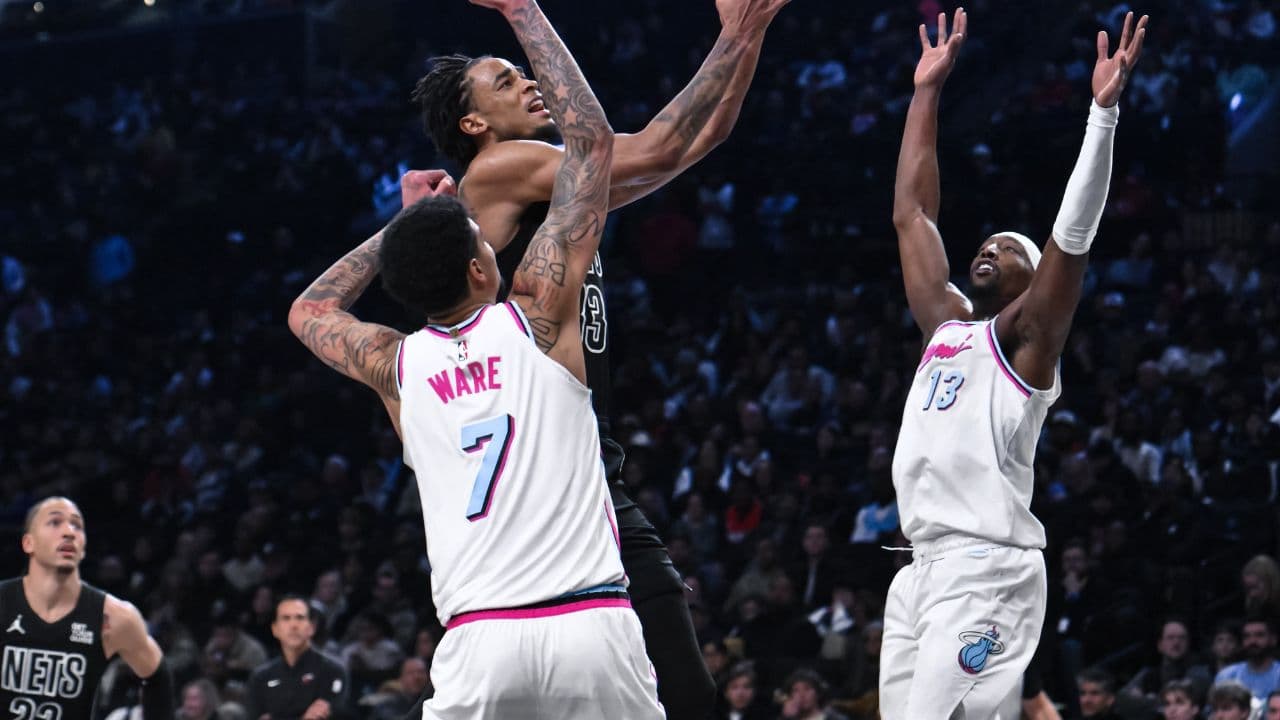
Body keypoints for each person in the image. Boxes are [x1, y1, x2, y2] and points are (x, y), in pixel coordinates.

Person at [404, 0, 788, 715]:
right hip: (549, 476)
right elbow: (647, 147)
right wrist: (734, 34)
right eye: (505, 80)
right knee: (684, 693)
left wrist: (752, 31)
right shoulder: (498, 168)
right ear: (474, 125)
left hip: (579, 464)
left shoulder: (546, 187)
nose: (528, 83)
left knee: (681, 690)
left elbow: (699, 139)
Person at [287, 0, 661, 716]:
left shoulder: (396, 367)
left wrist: (411, 228)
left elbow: (310, 310)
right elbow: (591, 148)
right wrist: (523, 11)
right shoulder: (536, 318)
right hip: (588, 622)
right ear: (482, 270)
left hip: (479, 641)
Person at [879, 8, 1147, 719]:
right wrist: (926, 92)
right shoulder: (946, 326)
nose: (990, 248)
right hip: (918, 571)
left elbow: (1072, 237)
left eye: (1009, 247)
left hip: (985, 567)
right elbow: (912, 215)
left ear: (1034, 280)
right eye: (985, 244)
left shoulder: (1027, 342)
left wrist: (1101, 116)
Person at [0, 497, 174, 719]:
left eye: (77, 526)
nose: (69, 532)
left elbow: (157, 676)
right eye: (55, 522)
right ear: (28, 543)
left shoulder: (113, 615)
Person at [246, 595, 348, 720]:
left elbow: (327, 713)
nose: (293, 625)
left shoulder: (333, 672)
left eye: (300, 618)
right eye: (286, 618)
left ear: (312, 627)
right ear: (275, 629)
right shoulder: (261, 677)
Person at [1213, 616, 1280, 703]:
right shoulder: (1227, 675)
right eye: (1247, 636)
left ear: (1273, 639)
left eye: (1259, 635)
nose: (1252, 641)